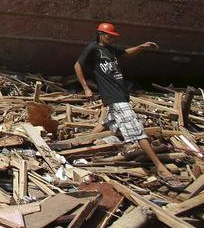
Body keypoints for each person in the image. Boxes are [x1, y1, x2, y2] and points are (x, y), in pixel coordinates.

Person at [74, 22, 181, 188]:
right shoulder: (93, 49)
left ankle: (78, 145)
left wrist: (141, 46)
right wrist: (86, 88)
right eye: (108, 35)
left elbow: (126, 53)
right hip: (114, 96)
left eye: (112, 36)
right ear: (100, 34)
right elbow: (77, 65)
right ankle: (160, 167)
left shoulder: (110, 50)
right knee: (138, 132)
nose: (110, 38)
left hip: (120, 94)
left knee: (108, 123)